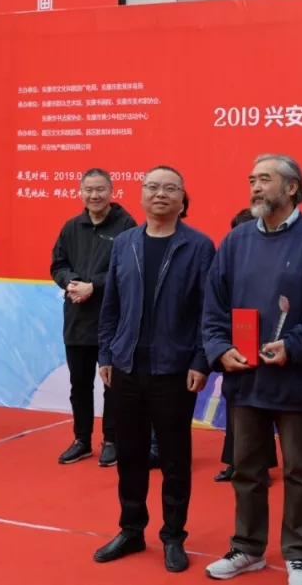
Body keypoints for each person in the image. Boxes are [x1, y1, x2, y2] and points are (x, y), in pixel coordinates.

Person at [202, 154, 302, 585]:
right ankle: (248, 548)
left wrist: (294, 345)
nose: (255, 187)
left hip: (296, 377)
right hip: (245, 377)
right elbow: (214, 304)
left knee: (299, 470)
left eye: (264, 179)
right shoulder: (236, 240)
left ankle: (298, 553)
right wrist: (220, 348)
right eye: (252, 179)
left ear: (291, 187)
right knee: (247, 468)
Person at [92, 166, 215, 574]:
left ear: (182, 199)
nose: (160, 194)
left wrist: (201, 360)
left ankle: (173, 535)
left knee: (175, 458)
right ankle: (131, 529)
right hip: (127, 366)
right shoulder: (125, 242)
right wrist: (106, 354)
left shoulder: (199, 246)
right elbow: (111, 305)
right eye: (152, 187)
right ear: (141, 195)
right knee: (129, 454)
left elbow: (208, 311)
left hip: (174, 370)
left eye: (170, 188)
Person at [50, 168, 137, 467]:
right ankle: (82, 440)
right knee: (79, 384)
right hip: (77, 318)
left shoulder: (126, 225)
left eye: (100, 189)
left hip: (113, 321)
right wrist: (71, 283)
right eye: (89, 189)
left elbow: (127, 269)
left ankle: (111, 439)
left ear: (111, 192)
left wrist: (94, 285)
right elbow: (58, 264)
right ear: (81, 192)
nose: (94, 195)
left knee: (113, 385)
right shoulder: (71, 226)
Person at [217, 207, 279, 484]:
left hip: (269, 342)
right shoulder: (228, 259)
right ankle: (235, 461)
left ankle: (261, 464)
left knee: (262, 407)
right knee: (236, 404)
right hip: (236, 340)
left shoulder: (276, 259)